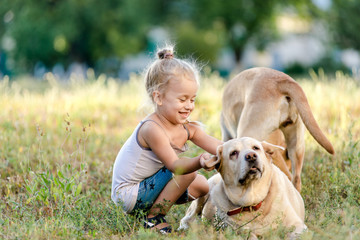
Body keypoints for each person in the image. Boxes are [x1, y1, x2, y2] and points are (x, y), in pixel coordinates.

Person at [111, 46, 222, 234]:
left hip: (148, 186)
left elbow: (221, 147)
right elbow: (175, 167)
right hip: (130, 194)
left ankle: (156, 208)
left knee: (202, 185)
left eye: (192, 99)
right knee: (188, 172)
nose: (189, 106)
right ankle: (153, 217)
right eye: (182, 99)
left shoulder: (189, 128)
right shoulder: (151, 129)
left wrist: (247, 149)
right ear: (159, 97)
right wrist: (200, 161)